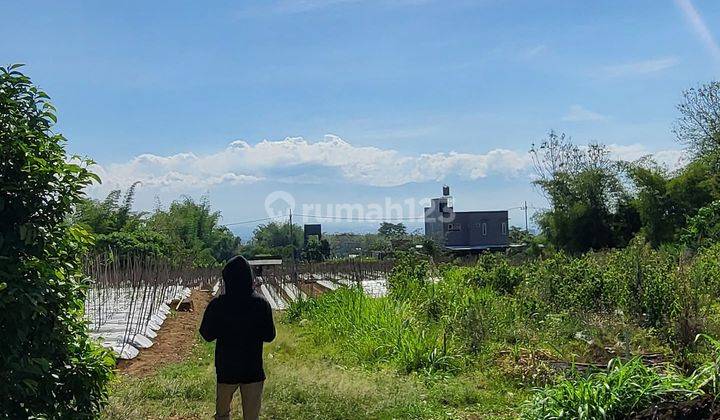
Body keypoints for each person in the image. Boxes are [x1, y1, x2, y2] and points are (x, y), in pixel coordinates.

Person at [200, 256, 276, 420]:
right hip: (253, 370)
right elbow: (269, 336)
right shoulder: (261, 304)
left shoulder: (218, 305)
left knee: (222, 414)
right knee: (251, 416)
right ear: (249, 278)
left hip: (226, 370)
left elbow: (206, 335)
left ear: (227, 279)